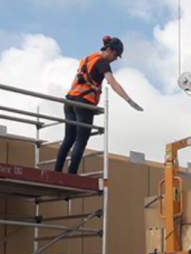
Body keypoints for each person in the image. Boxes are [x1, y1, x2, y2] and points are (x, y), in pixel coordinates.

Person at [54, 36, 144, 175]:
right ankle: (71, 174)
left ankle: (57, 172)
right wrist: (129, 100)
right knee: (81, 140)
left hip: (70, 101)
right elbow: (113, 83)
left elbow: (77, 80)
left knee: (69, 138)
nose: (115, 59)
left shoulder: (86, 59)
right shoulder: (103, 63)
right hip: (84, 104)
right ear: (108, 50)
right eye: (115, 55)